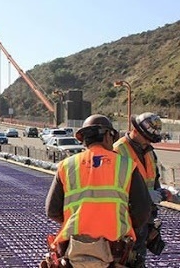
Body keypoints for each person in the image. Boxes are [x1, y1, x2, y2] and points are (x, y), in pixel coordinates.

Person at [43, 114, 151, 268]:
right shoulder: (126, 165)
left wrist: (80, 221)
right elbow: (143, 211)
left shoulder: (66, 166)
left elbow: (52, 210)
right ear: (107, 136)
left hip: (74, 253)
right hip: (116, 252)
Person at [113, 112, 172, 267]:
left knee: (139, 259)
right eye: (147, 138)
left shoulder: (149, 152)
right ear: (136, 131)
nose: (148, 143)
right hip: (126, 220)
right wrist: (145, 196)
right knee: (125, 260)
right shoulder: (118, 151)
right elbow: (113, 189)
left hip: (144, 219)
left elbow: (154, 180)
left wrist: (159, 195)